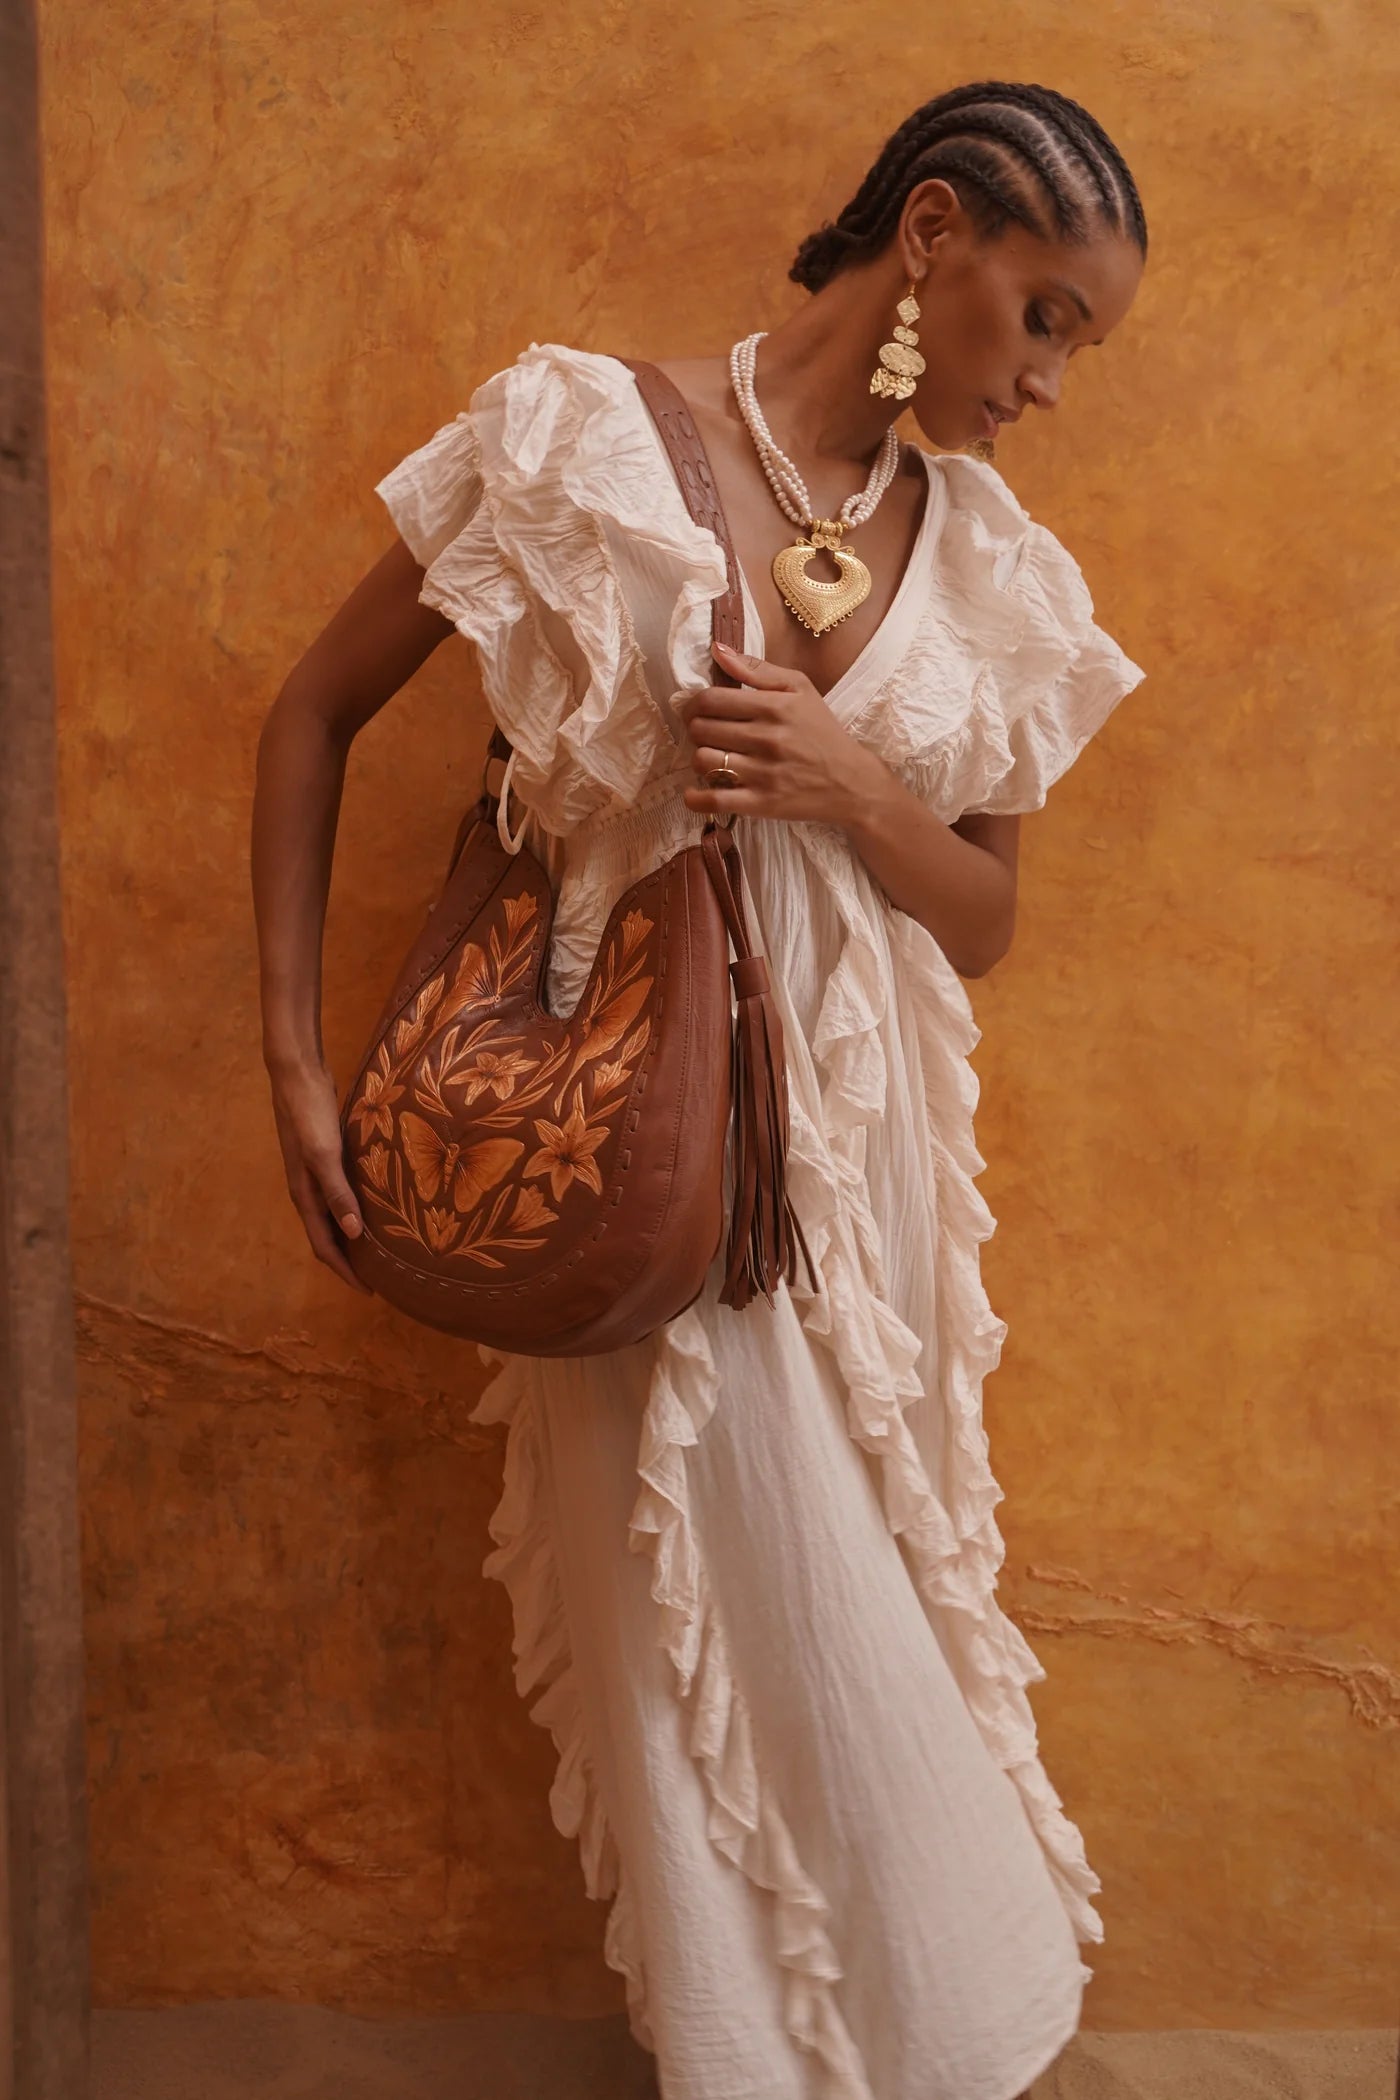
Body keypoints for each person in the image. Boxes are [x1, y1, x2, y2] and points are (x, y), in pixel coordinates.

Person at [252, 78, 1147, 2100]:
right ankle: (757, 2066)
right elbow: (309, 715)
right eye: (1050, 318)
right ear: (933, 234)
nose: (1051, 385)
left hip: (866, 1162)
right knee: (697, 1628)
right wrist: (299, 1063)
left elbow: (982, 918)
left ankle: (943, 2045)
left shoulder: (986, 562)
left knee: (878, 1608)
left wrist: (847, 784)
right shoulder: (579, 436)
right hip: (626, 1123)